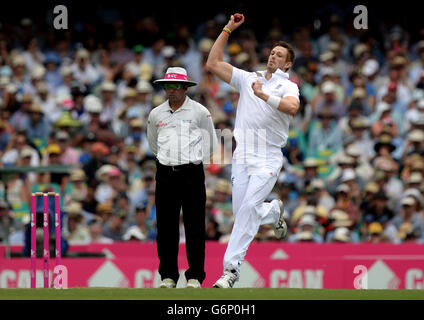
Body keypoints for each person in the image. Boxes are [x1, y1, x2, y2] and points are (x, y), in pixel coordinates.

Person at [206, 13, 299, 288]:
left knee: (246, 210)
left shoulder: (288, 85)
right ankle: (271, 212)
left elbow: (292, 107)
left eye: (279, 55)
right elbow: (212, 63)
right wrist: (227, 29)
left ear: (288, 64)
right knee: (244, 213)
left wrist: (263, 95)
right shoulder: (249, 78)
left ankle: (230, 271)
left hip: (268, 155)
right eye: (272, 53)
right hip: (242, 155)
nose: (273, 57)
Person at [147, 67, 218, 289]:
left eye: (176, 86)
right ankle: (168, 276)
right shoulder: (156, 114)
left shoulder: (200, 112)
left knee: (194, 226)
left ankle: (195, 276)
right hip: (165, 173)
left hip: (192, 174)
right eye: (168, 85)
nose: (171, 90)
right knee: (166, 227)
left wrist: (191, 162)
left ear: (186, 88)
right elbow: (154, 145)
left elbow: (211, 145)